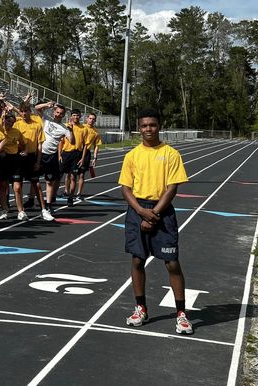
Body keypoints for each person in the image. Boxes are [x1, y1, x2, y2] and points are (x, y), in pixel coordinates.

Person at [118, 108, 193, 335]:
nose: (148, 129)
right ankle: (140, 308)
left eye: (152, 125)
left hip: (162, 211)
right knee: (137, 261)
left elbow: (172, 187)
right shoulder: (132, 155)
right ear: (138, 128)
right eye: (144, 126)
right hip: (137, 210)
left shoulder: (170, 154)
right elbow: (125, 187)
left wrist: (154, 214)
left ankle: (181, 313)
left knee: (171, 262)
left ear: (159, 126)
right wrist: (141, 211)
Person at [12, 102, 53, 221]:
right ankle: (21, 211)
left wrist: (38, 161)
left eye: (26, 111)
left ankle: (44, 210)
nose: (24, 114)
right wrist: (21, 149)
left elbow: (40, 145)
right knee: (18, 187)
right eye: (22, 111)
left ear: (30, 112)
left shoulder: (37, 125)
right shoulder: (16, 125)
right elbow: (14, 142)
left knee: (37, 185)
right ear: (20, 112)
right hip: (19, 157)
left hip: (32, 157)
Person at [35, 101, 75, 214]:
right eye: (57, 112)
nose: (58, 115)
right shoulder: (46, 119)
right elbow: (37, 108)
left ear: (63, 115)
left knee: (49, 181)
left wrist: (71, 130)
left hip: (51, 156)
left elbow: (72, 141)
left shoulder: (64, 128)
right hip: (39, 153)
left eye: (61, 113)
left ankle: (48, 204)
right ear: (54, 112)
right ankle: (32, 200)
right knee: (35, 180)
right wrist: (47, 105)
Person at [58, 109, 86, 206]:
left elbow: (85, 145)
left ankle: (70, 197)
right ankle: (52, 196)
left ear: (80, 116)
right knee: (59, 176)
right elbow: (60, 142)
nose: (76, 117)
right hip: (66, 153)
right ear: (71, 116)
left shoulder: (83, 128)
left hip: (76, 154)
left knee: (73, 176)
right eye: (74, 115)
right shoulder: (65, 126)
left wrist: (82, 158)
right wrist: (59, 155)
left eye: (77, 115)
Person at [75, 112, 102, 199]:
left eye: (93, 119)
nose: (91, 120)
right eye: (90, 118)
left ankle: (79, 193)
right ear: (87, 119)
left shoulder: (96, 132)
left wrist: (95, 158)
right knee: (71, 174)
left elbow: (97, 146)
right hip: (77, 151)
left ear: (95, 121)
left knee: (82, 174)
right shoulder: (81, 127)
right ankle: (67, 191)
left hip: (86, 153)